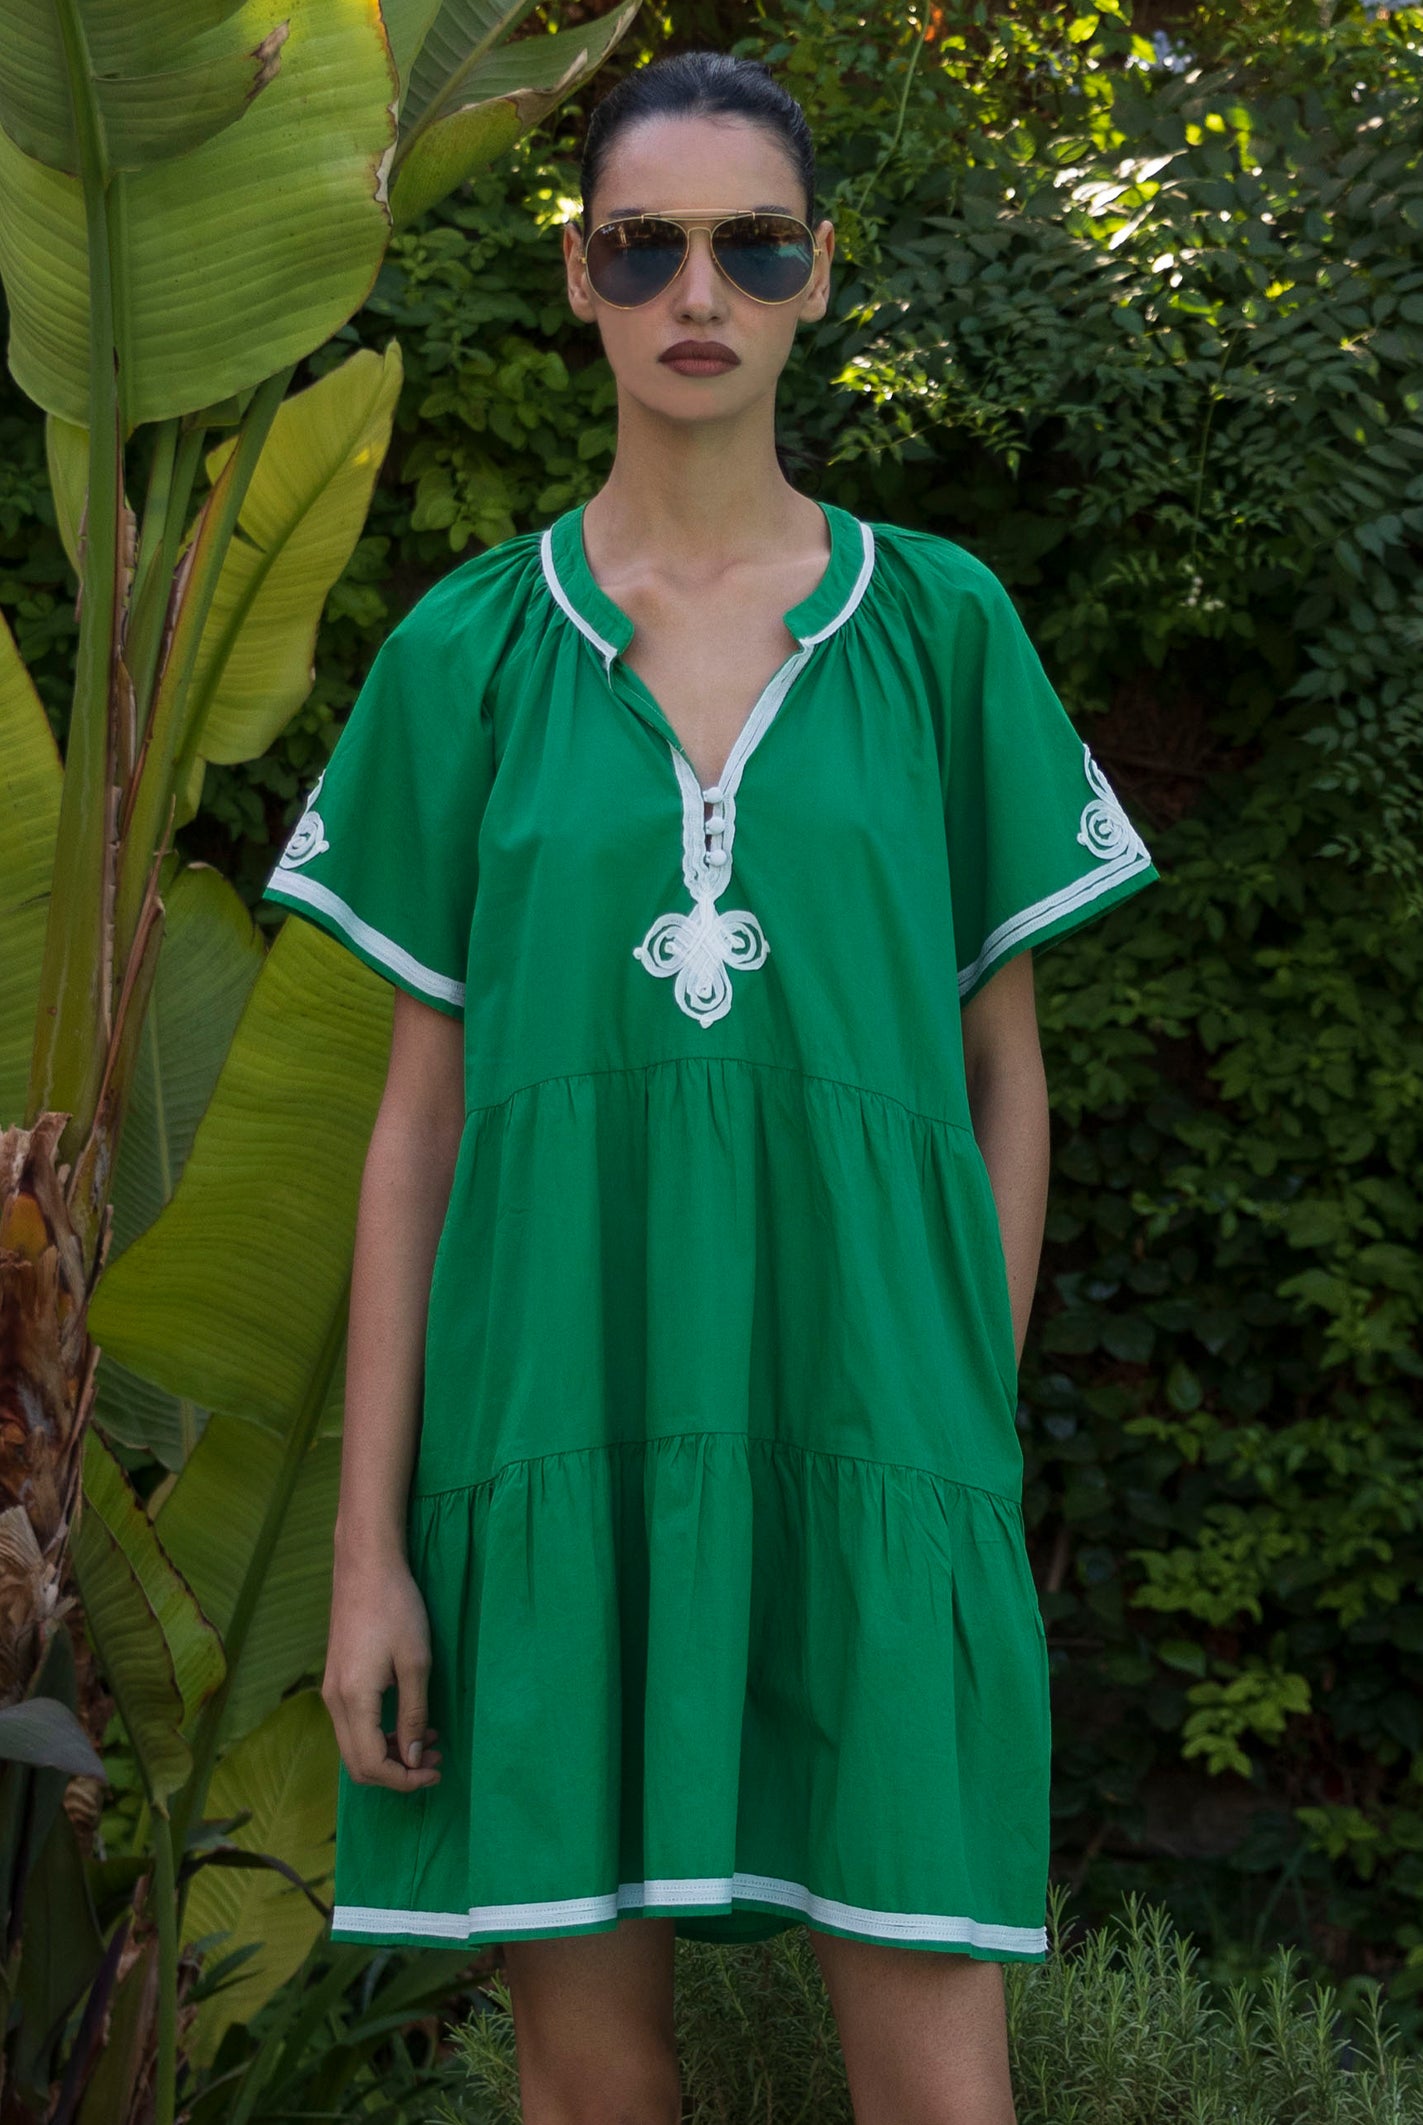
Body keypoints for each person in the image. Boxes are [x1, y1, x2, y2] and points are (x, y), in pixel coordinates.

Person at [260, 46, 1160, 2125]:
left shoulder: (938, 630)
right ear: (575, 277)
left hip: (873, 1436)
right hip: (546, 1432)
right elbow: (416, 1133)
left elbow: (999, 1075)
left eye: (750, 243)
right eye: (641, 243)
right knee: (589, 2089)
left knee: (940, 2085)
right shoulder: (468, 655)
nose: (697, 289)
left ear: (817, 275)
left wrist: (955, 1405)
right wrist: (368, 1549)